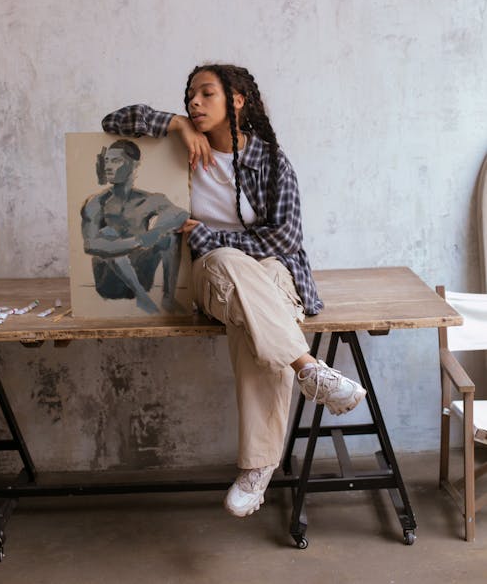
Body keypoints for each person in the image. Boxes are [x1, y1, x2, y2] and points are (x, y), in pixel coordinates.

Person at [102, 63, 366, 517]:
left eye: (206, 94)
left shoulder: (272, 160)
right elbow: (113, 122)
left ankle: (258, 468)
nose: (194, 102)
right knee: (227, 263)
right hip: (212, 276)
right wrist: (175, 123)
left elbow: (285, 240)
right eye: (190, 97)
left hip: (272, 274)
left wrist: (207, 234)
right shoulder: (177, 148)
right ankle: (306, 368)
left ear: (237, 99)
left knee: (254, 319)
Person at [81, 139, 189, 314]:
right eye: (107, 160)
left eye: (116, 161)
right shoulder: (96, 202)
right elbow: (90, 245)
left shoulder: (149, 200)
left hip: (142, 274)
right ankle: (143, 299)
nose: (108, 166)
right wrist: (139, 240)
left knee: (171, 235)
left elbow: (181, 213)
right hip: (110, 283)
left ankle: (168, 299)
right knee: (107, 233)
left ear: (134, 165)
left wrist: (158, 230)